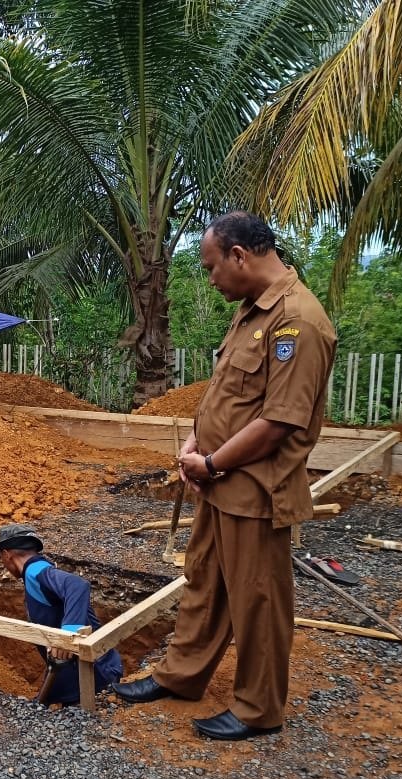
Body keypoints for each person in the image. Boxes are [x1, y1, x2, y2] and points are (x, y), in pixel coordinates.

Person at [112, 211, 336, 741]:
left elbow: (280, 420)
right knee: (205, 581)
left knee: (257, 600)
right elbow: (230, 396)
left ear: (240, 255)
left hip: (255, 489)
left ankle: (259, 709)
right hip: (220, 481)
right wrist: (198, 442)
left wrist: (212, 462)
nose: (211, 279)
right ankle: (181, 676)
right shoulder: (251, 312)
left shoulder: (297, 322)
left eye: (213, 267)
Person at [0, 524, 123, 705]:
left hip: (95, 674)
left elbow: (77, 585)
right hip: (84, 671)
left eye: (1, 557)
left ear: (6, 554)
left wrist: (68, 633)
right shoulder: (37, 571)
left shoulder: (35, 571)